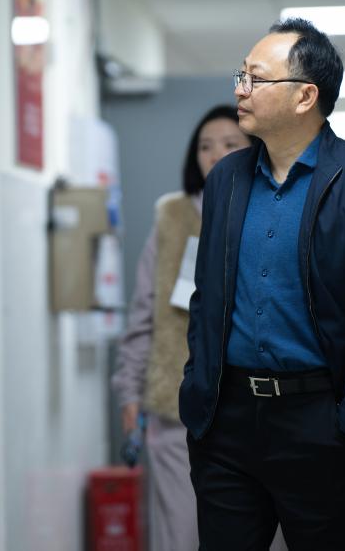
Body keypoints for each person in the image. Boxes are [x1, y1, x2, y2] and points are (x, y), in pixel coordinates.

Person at [180, 18, 345, 551]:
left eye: (256, 79)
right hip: (225, 420)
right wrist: (196, 390)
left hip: (319, 420)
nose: (240, 90)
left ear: (306, 96)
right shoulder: (226, 179)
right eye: (241, 76)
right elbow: (206, 297)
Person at [112, 104, 261, 551]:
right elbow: (145, 312)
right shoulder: (172, 215)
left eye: (230, 144)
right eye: (205, 146)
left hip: (252, 408)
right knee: (180, 531)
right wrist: (130, 390)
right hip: (177, 405)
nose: (215, 155)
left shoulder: (270, 210)